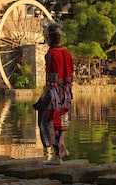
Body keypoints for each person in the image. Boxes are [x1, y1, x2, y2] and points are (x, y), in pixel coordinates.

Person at [35, 22, 74, 165]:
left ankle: (58, 154)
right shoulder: (66, 52)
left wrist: (44, 95)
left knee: (46, 121)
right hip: (66, 92)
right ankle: (60, 151)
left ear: (50, 38)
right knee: (55, 121)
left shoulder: (51, 54)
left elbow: (51, 78)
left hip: (55, 93)